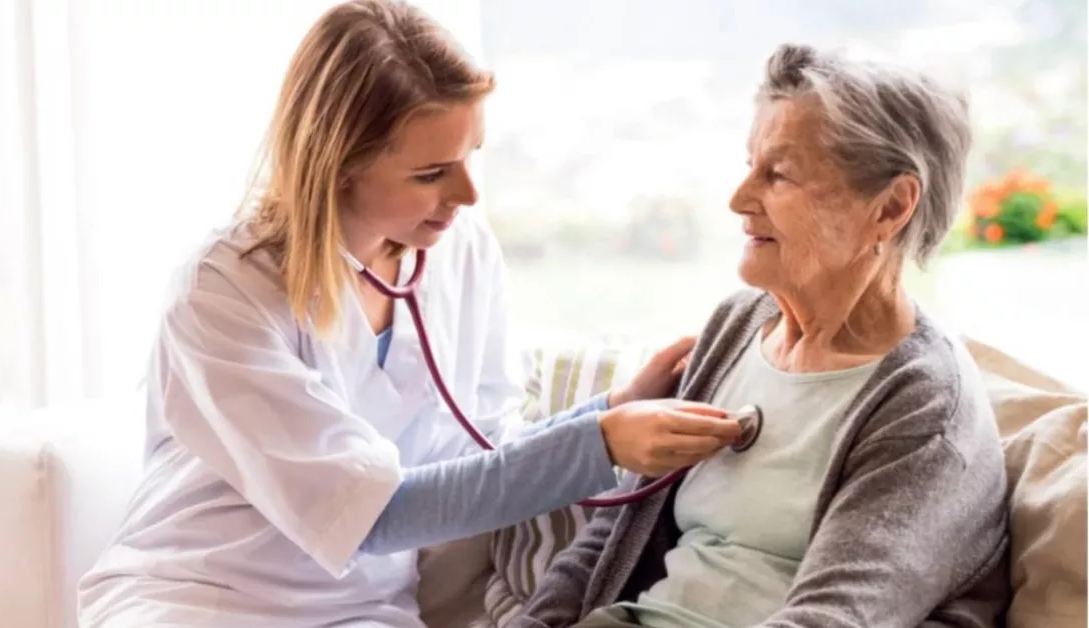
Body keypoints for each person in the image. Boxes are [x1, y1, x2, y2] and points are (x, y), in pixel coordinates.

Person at [75, 1, 745, 626]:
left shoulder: (462, 251)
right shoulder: (223, 289)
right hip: (199, 594)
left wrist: (610, 409)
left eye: (472, 155)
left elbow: (483, 454)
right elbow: (376, 514)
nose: (468, 194)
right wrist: (600, 442)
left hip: (361, 606)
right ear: (338, 165)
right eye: (431, 173)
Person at [511, 44, 1011, 628]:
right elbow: (613, 535)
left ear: (891, 207)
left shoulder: (925, 407)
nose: (738, 199)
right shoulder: (738, 326)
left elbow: (835, 618)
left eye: (778, 174)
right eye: (750, 164)